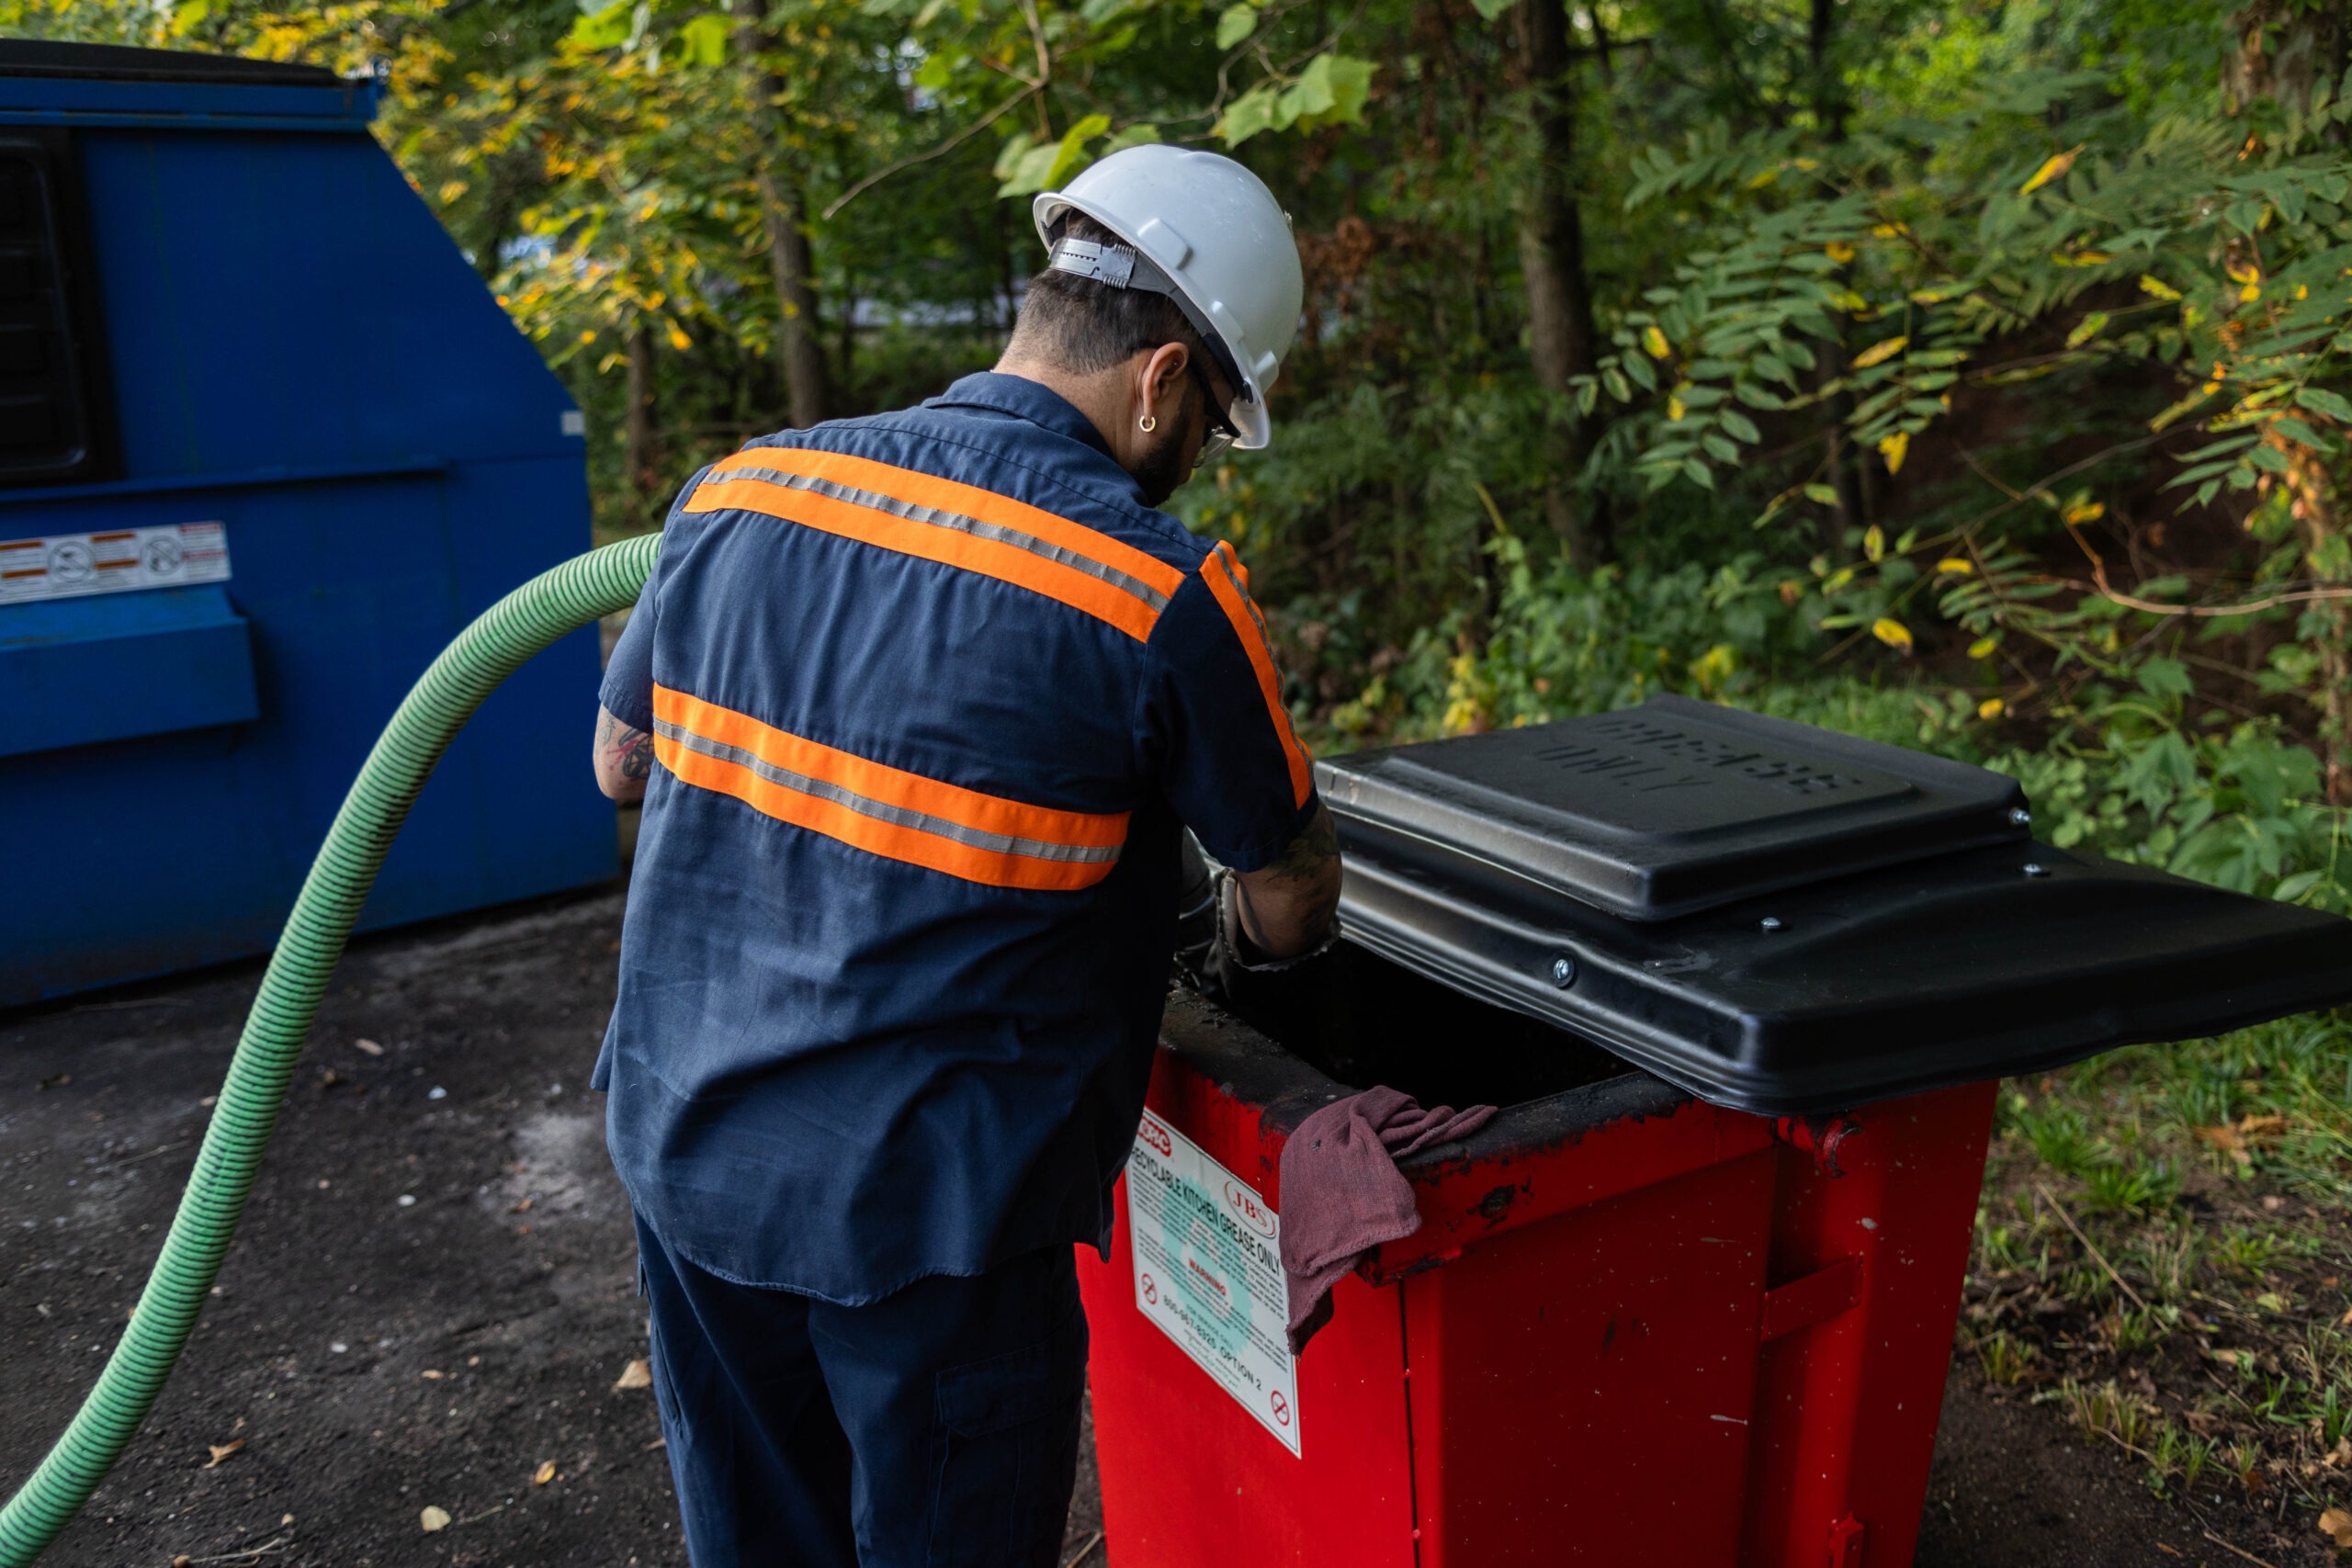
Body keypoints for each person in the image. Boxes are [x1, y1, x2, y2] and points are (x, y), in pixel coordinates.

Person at [587, 143, 1341, 1567]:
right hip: (929, 1230)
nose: (1185, 466)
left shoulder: (740, 487)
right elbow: (1288, 886)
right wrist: (1278, 977)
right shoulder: (1157, 590)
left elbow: (619, 765)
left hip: (687, 1155)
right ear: (1163, 377)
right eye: (1206, 423)